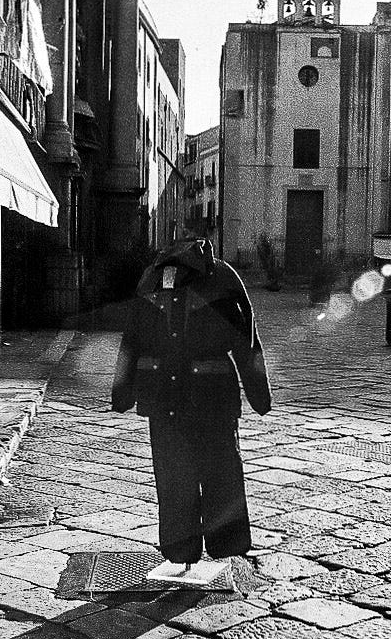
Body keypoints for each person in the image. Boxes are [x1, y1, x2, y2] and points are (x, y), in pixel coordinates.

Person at [111, 233, 271, 567]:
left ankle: (181, 550)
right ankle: (225, 543)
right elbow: (246, 339)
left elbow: (131, 338)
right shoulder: (223, 274)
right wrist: (259, 395)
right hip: (213, 394)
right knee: (221, 471)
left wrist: (122, 392)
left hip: (161, 394)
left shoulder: (151, 276)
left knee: (173, 476)